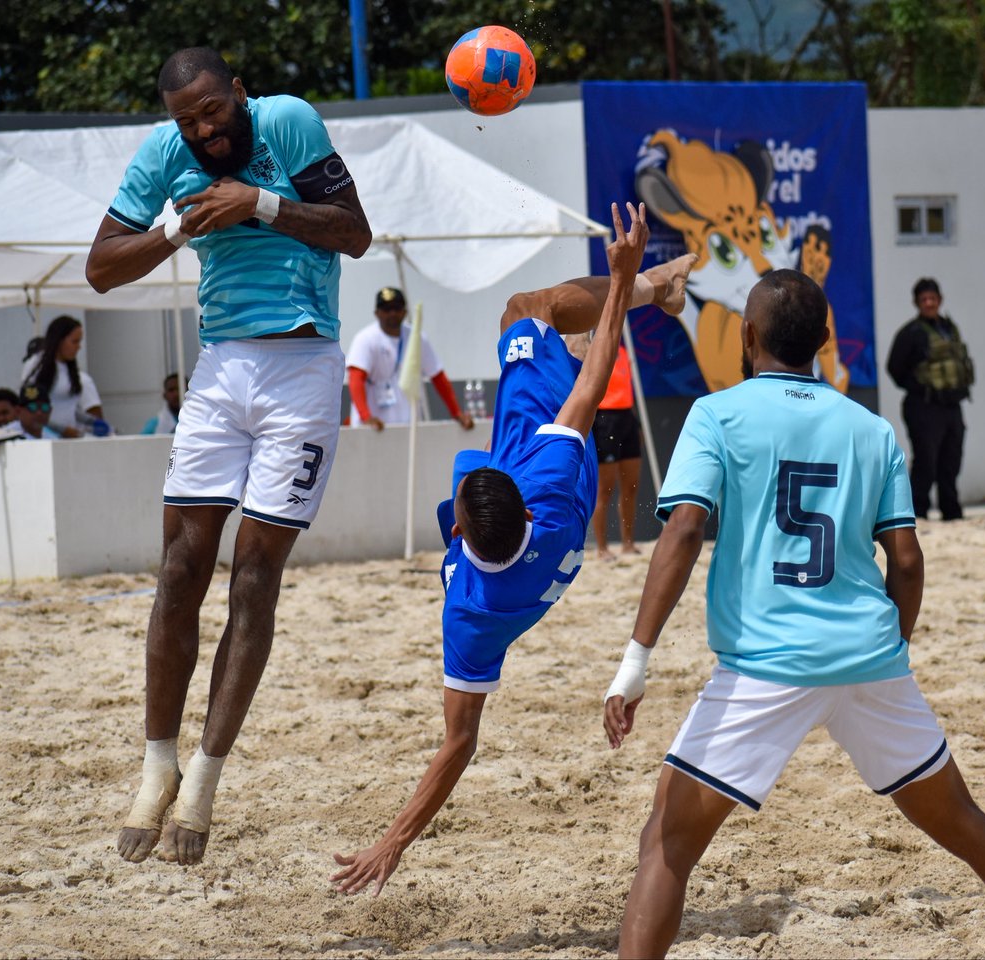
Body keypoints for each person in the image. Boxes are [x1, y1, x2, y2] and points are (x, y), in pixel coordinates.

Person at [602, 269, 985, 960]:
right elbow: (908, 558)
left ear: (746, 337)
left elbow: (684, 533)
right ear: (824, 341)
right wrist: (889, 648)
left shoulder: (717, 414)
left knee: (665, 843)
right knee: (965, 825)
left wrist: (635, 662)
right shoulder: (870, 428)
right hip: (870, 659)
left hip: (766, 666)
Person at [329, 204, 696, 897]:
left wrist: (394, 841)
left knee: (550, 326)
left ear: (461, 529)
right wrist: (625, 282)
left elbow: (458, 746)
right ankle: (659, 288)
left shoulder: (470, 614)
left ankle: (631, 301)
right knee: (527, 309)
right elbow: (593, 387)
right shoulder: (544, 488)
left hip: (547, 537)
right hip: (548, 442)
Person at [84, 46, 371, 866]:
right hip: (219, 372)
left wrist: (260, 204)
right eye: (188, 120)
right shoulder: (163, 155)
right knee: (179, 569)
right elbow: (102, 270)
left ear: (238, 93)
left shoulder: (288, 120)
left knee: (253, 576)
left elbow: (354, 233)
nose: (204, 129)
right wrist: (174, 225)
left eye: (212, 110)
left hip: (304, 367)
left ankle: (206, 778)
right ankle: (157, 765)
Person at [886, 278, 975, 520]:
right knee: (926, 461)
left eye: (932, 299)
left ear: (940, 299)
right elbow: (894, 368)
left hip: (951, 405)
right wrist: (920, 388)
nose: (929, 303)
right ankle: (918, 512)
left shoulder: (949, 329)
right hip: (923, 406)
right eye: (924, 299)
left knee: (951, 460)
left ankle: (951, 510)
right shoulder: (911, 333)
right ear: (917, 303)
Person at [347, 286, 474, 431]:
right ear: (377, 313)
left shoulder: (416, 337)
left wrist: (457, 413)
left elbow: (438, 376)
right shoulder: (365, 339)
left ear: (405, 312)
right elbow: (356, 379)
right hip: (372, 428)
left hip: (408, 426)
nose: (392, 313)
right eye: (386, 309)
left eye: (397, 308)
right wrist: (366, 417)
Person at [591, 342, 643, 559]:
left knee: (631, 486)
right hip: (605, 418)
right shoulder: (594, 349)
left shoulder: (622, 350)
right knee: (605, 490)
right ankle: (602, 547)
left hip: (626, 417)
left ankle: (628, 543)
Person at [21, 315, 105, 438]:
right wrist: (61, 429)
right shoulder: (35, 365)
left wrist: (91, 422)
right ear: (59, 340)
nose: (79, 347)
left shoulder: (74, 373)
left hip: (70, 439)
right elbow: (29, 409)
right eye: (74, 341)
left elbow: (69, 408)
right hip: (44, 437)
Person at [798, 224, 849, 393]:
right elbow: (834, 375)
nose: (817, 258)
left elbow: (833, 371)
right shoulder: (788, 295)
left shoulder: (822, 305)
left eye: (824, 253)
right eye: (812, 249)